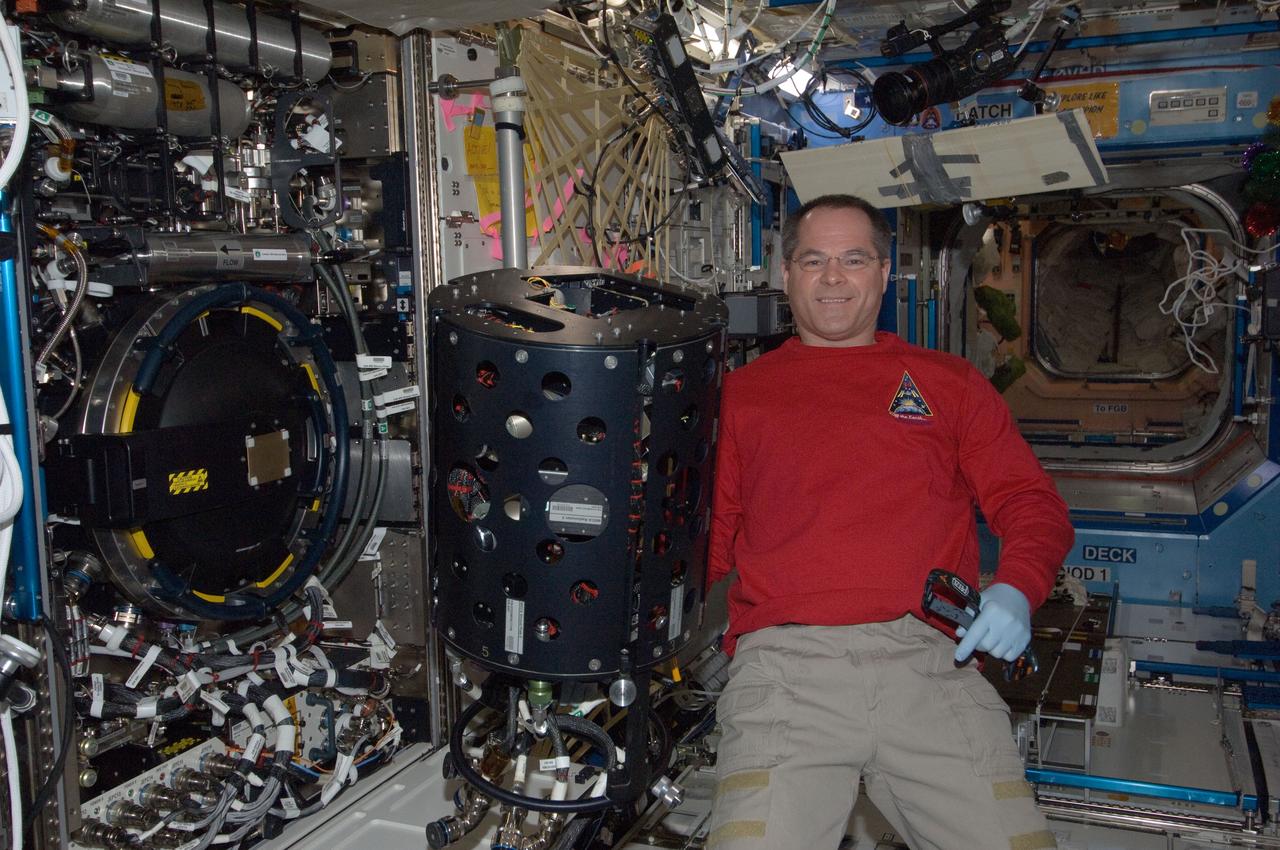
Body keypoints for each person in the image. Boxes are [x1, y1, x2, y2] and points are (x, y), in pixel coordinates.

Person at [705, 194, 1074, 850]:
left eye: (853, 259)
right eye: (812, 260)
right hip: (786, 672)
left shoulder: (949, 384)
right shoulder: (739, 397)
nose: (832, 277)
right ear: (786, 275)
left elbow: (1030, 501)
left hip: (931, 664)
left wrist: (1018, 587)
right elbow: (706, 541)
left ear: (883, 273)